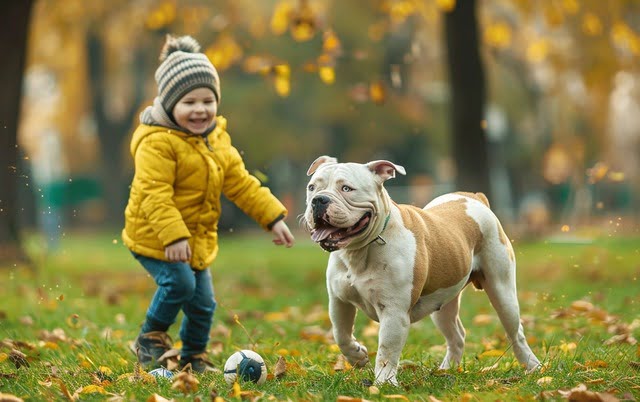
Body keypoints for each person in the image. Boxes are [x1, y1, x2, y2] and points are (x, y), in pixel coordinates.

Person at [122, 34, 295, 373]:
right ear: (170, 104)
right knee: (180, 284)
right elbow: (153, 192)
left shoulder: (216, 140)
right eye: (189, 102)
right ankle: (151, 337)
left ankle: (194, 358)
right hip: (154, 236)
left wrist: (273, 217)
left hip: (195, 239)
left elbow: (242, 183)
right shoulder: (156, 142)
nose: (200, 109)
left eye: (207, 101)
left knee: (203, 303)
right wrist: (173, 236)